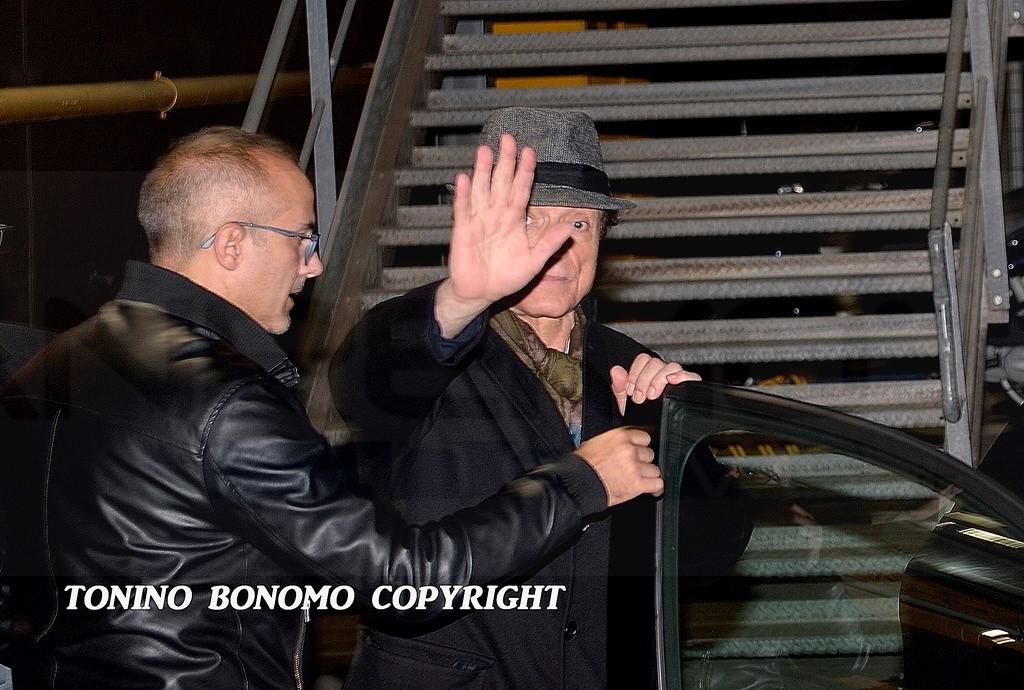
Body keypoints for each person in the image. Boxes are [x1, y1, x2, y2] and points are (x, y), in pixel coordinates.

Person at [0, 126, 666, 689]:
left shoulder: (49, 366)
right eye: (302, 238)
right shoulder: (226, 400)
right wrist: (580, 482)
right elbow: (403, 581)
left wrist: (675, 421)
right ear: (231, 244)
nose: (313, 266)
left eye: (580, 223)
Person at [332, 108, 752, 688]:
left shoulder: (629, 364)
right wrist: (461, 297)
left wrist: (677, 440)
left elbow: (710, 556)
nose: (558, 247)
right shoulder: (430, 341)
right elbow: (363, 382)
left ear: (603, 238)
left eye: (578, 223)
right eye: (531, 219)